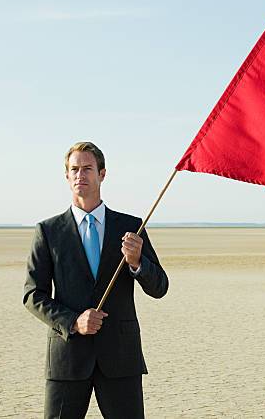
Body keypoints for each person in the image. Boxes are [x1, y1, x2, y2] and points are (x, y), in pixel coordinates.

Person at [23, 141, 169, 418]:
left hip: (120, 358)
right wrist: (73, 322)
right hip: (67, 358)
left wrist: (138, 262)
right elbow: (32, 295)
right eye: (74, 169)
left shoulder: (130, 227)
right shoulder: (48, 231)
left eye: (87, 168)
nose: (81, 175)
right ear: (67, 177)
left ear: (102, 174)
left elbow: (160, 287)